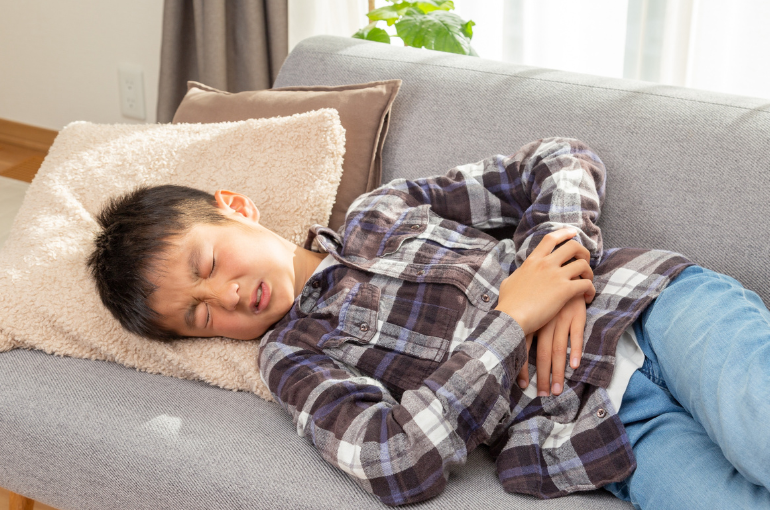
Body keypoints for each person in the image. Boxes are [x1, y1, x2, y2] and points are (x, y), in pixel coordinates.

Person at [87, 137, 770, 509]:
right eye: (199, 314)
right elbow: (395, 462)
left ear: (232, 205)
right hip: (606, 432)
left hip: (653, 307)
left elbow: (558, 159)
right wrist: (511, 320)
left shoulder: (383, 209)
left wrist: (553, 268)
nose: (229, 296)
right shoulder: (293, 360)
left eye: (209, 263)